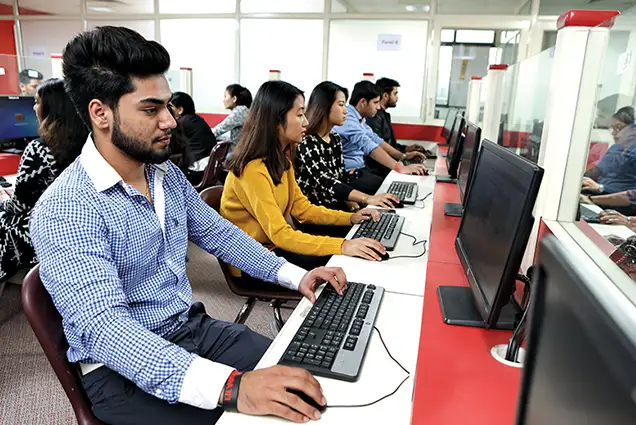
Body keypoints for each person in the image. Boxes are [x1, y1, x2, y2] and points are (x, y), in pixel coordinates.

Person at [30, 26, 348, 425]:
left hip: (189, 328)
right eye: (151, 110)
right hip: (120, 371)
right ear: (101, 113)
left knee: (303, 381)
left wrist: (296, 276)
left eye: (168, 105)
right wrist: (232, 388)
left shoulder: (165, 175)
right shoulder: (66, 207)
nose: (169, 120)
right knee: (264, 414)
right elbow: (106, 328)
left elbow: (220, 234)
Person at [221, 79, 387, 275]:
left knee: (353, 256)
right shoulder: (253, 170)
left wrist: (351, 218)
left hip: (272, 249)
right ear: (276, 121)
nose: (306, 122)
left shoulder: (281, 160)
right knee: (347, 262)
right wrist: (343, 246)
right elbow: (281, 235)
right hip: (254, 262)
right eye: (300, 114)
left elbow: (303, 210)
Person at [0, 77, 87, 283]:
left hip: (49, 228)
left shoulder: (39, 149)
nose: (34, 107)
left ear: (51, 108)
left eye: (37, 102)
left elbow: (20, 206)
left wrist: (3, 202)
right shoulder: (90, 142)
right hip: (79, 223)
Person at [295, 81, 400, 212]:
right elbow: (328, 182)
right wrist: (367, 198)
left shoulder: (335, 138)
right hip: (319, 211)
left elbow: (340, 178)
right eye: (341, 105)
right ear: (325, 107)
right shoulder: (308, 142)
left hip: (336, 206)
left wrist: (354, 205)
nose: (345, 111)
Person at [333, 80, 427, 194]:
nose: (378, 107)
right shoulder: (348, 119)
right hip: (349, 175)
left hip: (360, 170)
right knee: (391, 190)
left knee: (397, 185)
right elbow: (368, 145)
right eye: (375, 102)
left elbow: (376, 140)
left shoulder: (359, 119)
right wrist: (400, 168)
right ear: (363, 102)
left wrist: (403, 156)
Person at [582, 106, 636, 198]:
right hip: (596, 195)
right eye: (613, 128)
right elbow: (596, 171)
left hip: (615, 201)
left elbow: (632, 196)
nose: (613, 133)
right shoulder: (615, 148)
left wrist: (600, 188)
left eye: (619, 127)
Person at [366, 77, 426, 155]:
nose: (397, 97)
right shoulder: (374, 117)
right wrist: (403, 156)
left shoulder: (385, 115)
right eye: (395, 94)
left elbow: (389, 144)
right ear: (385, 96)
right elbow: (378, 147)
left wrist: (406, 148)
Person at [169, 91, 217, 182]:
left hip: (196, 170)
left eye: (170, 107)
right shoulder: (197, 119)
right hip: (209, 167)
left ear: (180, 110)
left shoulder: (182, 123)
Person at [212, 84, 252, 153]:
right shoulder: (245, 110)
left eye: (225, 96)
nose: (223, 100)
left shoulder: (239, 111)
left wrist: (202, 135)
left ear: (234, 99)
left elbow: (219, 130)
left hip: (238, 154)